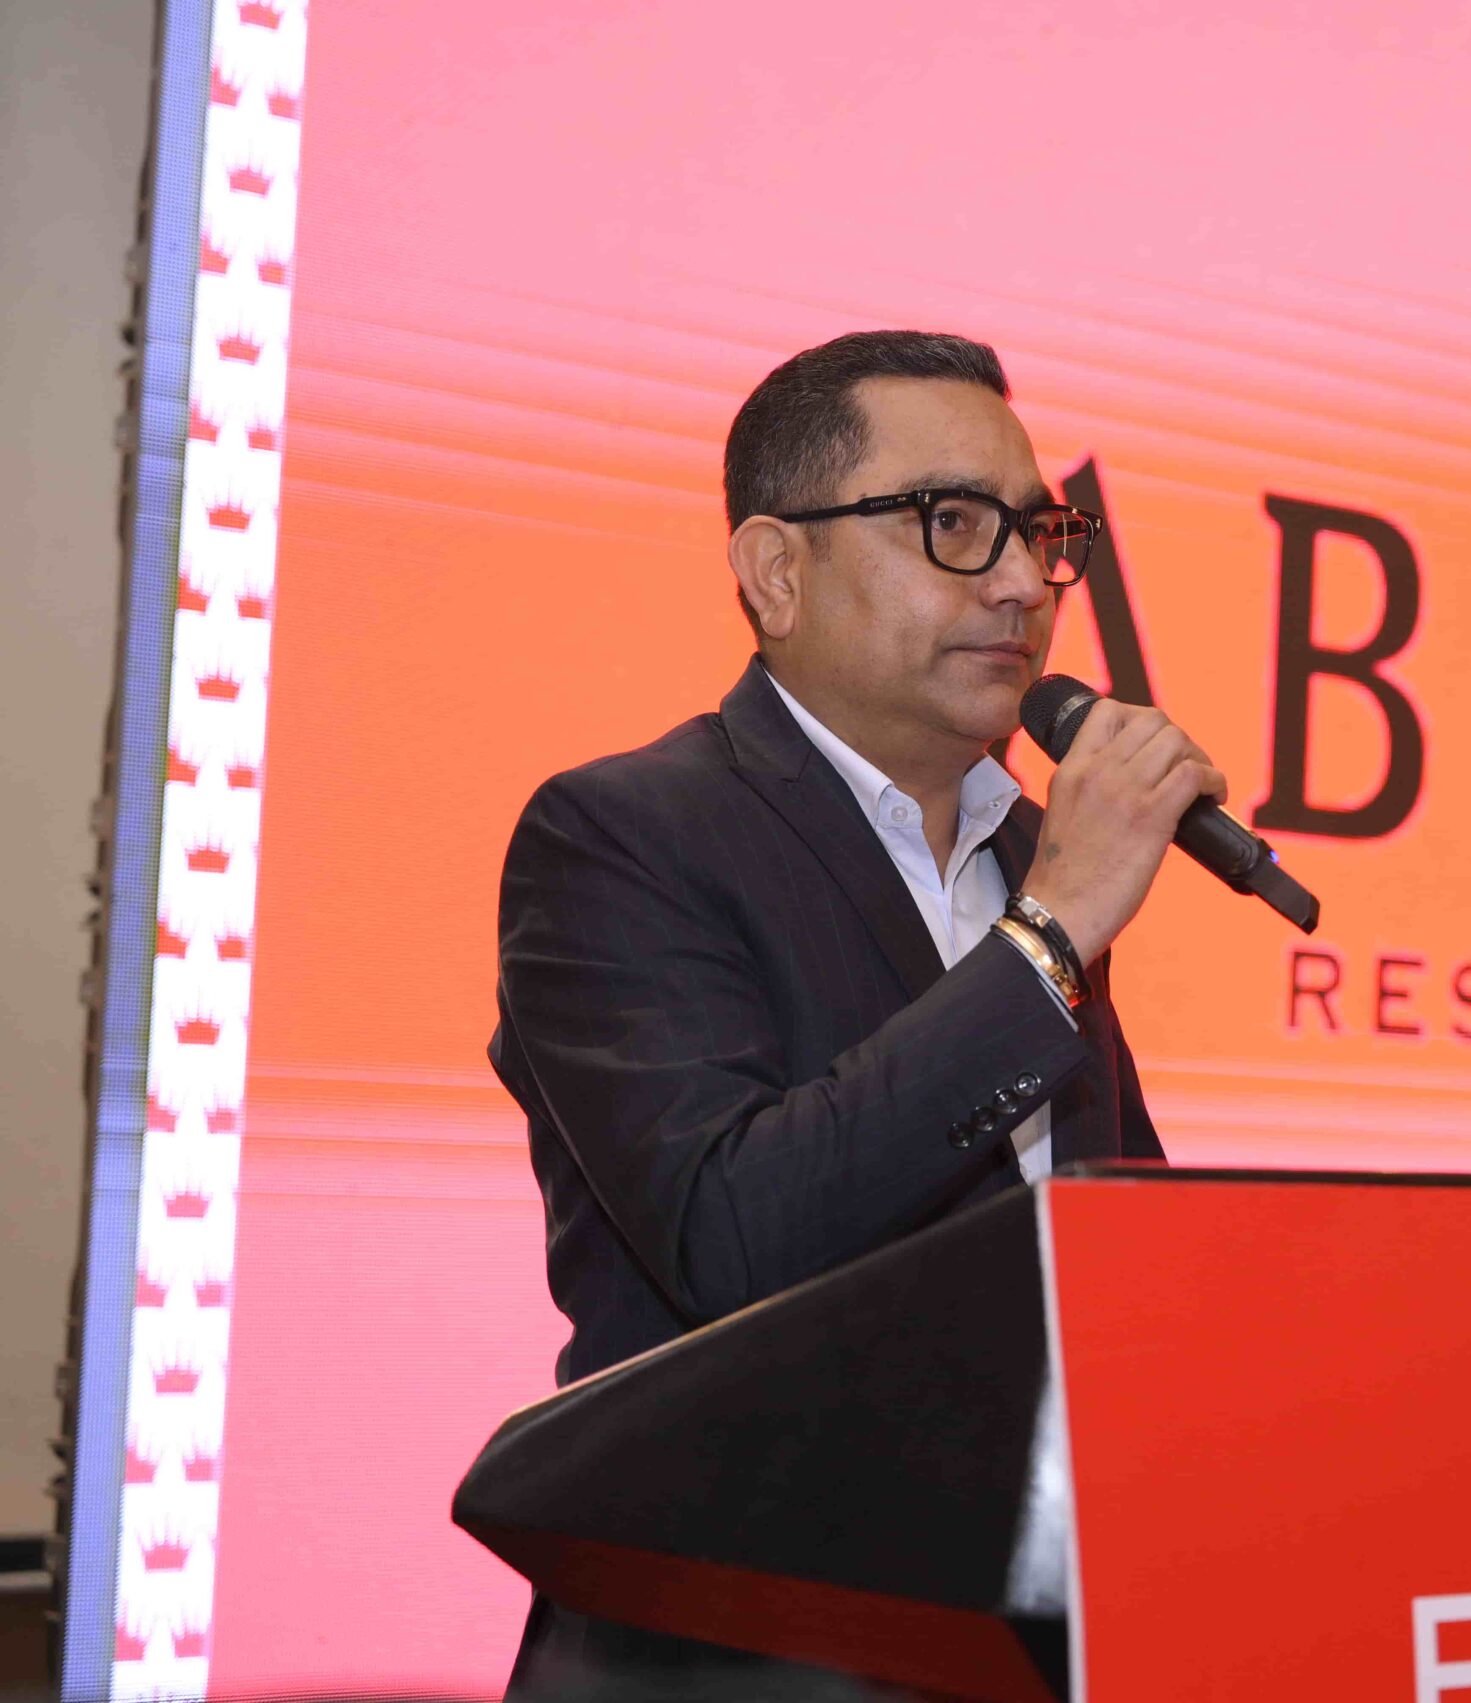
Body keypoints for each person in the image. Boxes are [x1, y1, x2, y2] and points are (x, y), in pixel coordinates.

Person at [487, 330, 1218, 1694]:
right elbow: (732, 1235)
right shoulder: (621, 836)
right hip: (745, 1654)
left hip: (1032, 1638)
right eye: (952, 522)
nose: (1022, 580)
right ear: (778, 570)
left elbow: (1101, 1252)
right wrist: (1051, 934)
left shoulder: (1026, 858)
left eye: (1038, 531)